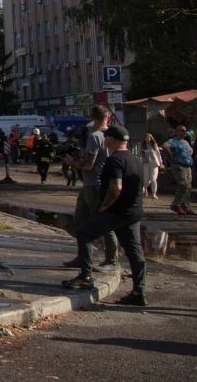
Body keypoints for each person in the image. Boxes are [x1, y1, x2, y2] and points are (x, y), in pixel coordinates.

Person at [62, 126, 148, 306]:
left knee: (84, 233)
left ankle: (85, 276)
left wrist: (104, 206)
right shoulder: (135, 159)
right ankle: (138, 291)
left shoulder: (114, 160)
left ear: (111, 140)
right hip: (133, 212)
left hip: (116, 212)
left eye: (106, 137)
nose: (104, 139)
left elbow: (116, 187)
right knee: (135, 251)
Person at [62, 106, 118, 271]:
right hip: (96, 184)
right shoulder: (112, 136)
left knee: (101, 223)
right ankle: (83, 257)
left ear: (93, 118)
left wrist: (71, 163)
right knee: (81, 222)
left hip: (94, 185)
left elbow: (88, 165)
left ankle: (111, 260)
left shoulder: (95, 136)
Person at [162, 125, 194, 215]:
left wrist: (189, 155)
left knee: (188, 187)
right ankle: (176, 204)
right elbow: (164, 146)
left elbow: (191, 149)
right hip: (179, 166)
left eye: (185, 131)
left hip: (187, 166)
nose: (184, 132)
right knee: (183, 185)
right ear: (176, 131)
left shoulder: (185, 142)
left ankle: (186, 207)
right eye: (182, 131)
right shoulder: (173, 141)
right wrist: (171, 155)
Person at [141, 133, 163, 199]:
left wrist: (161, 162)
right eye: (146, 138)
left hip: (154, 164)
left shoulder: (154, 145)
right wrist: (142, 154)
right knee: (146, 180)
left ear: (151, 138)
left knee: (153, 179)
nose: (147, 139)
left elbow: (158, 154)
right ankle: (145, 189)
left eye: (148, 138)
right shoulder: (143, 146)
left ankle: (154, 194)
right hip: (146, 163)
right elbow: (140, 154)